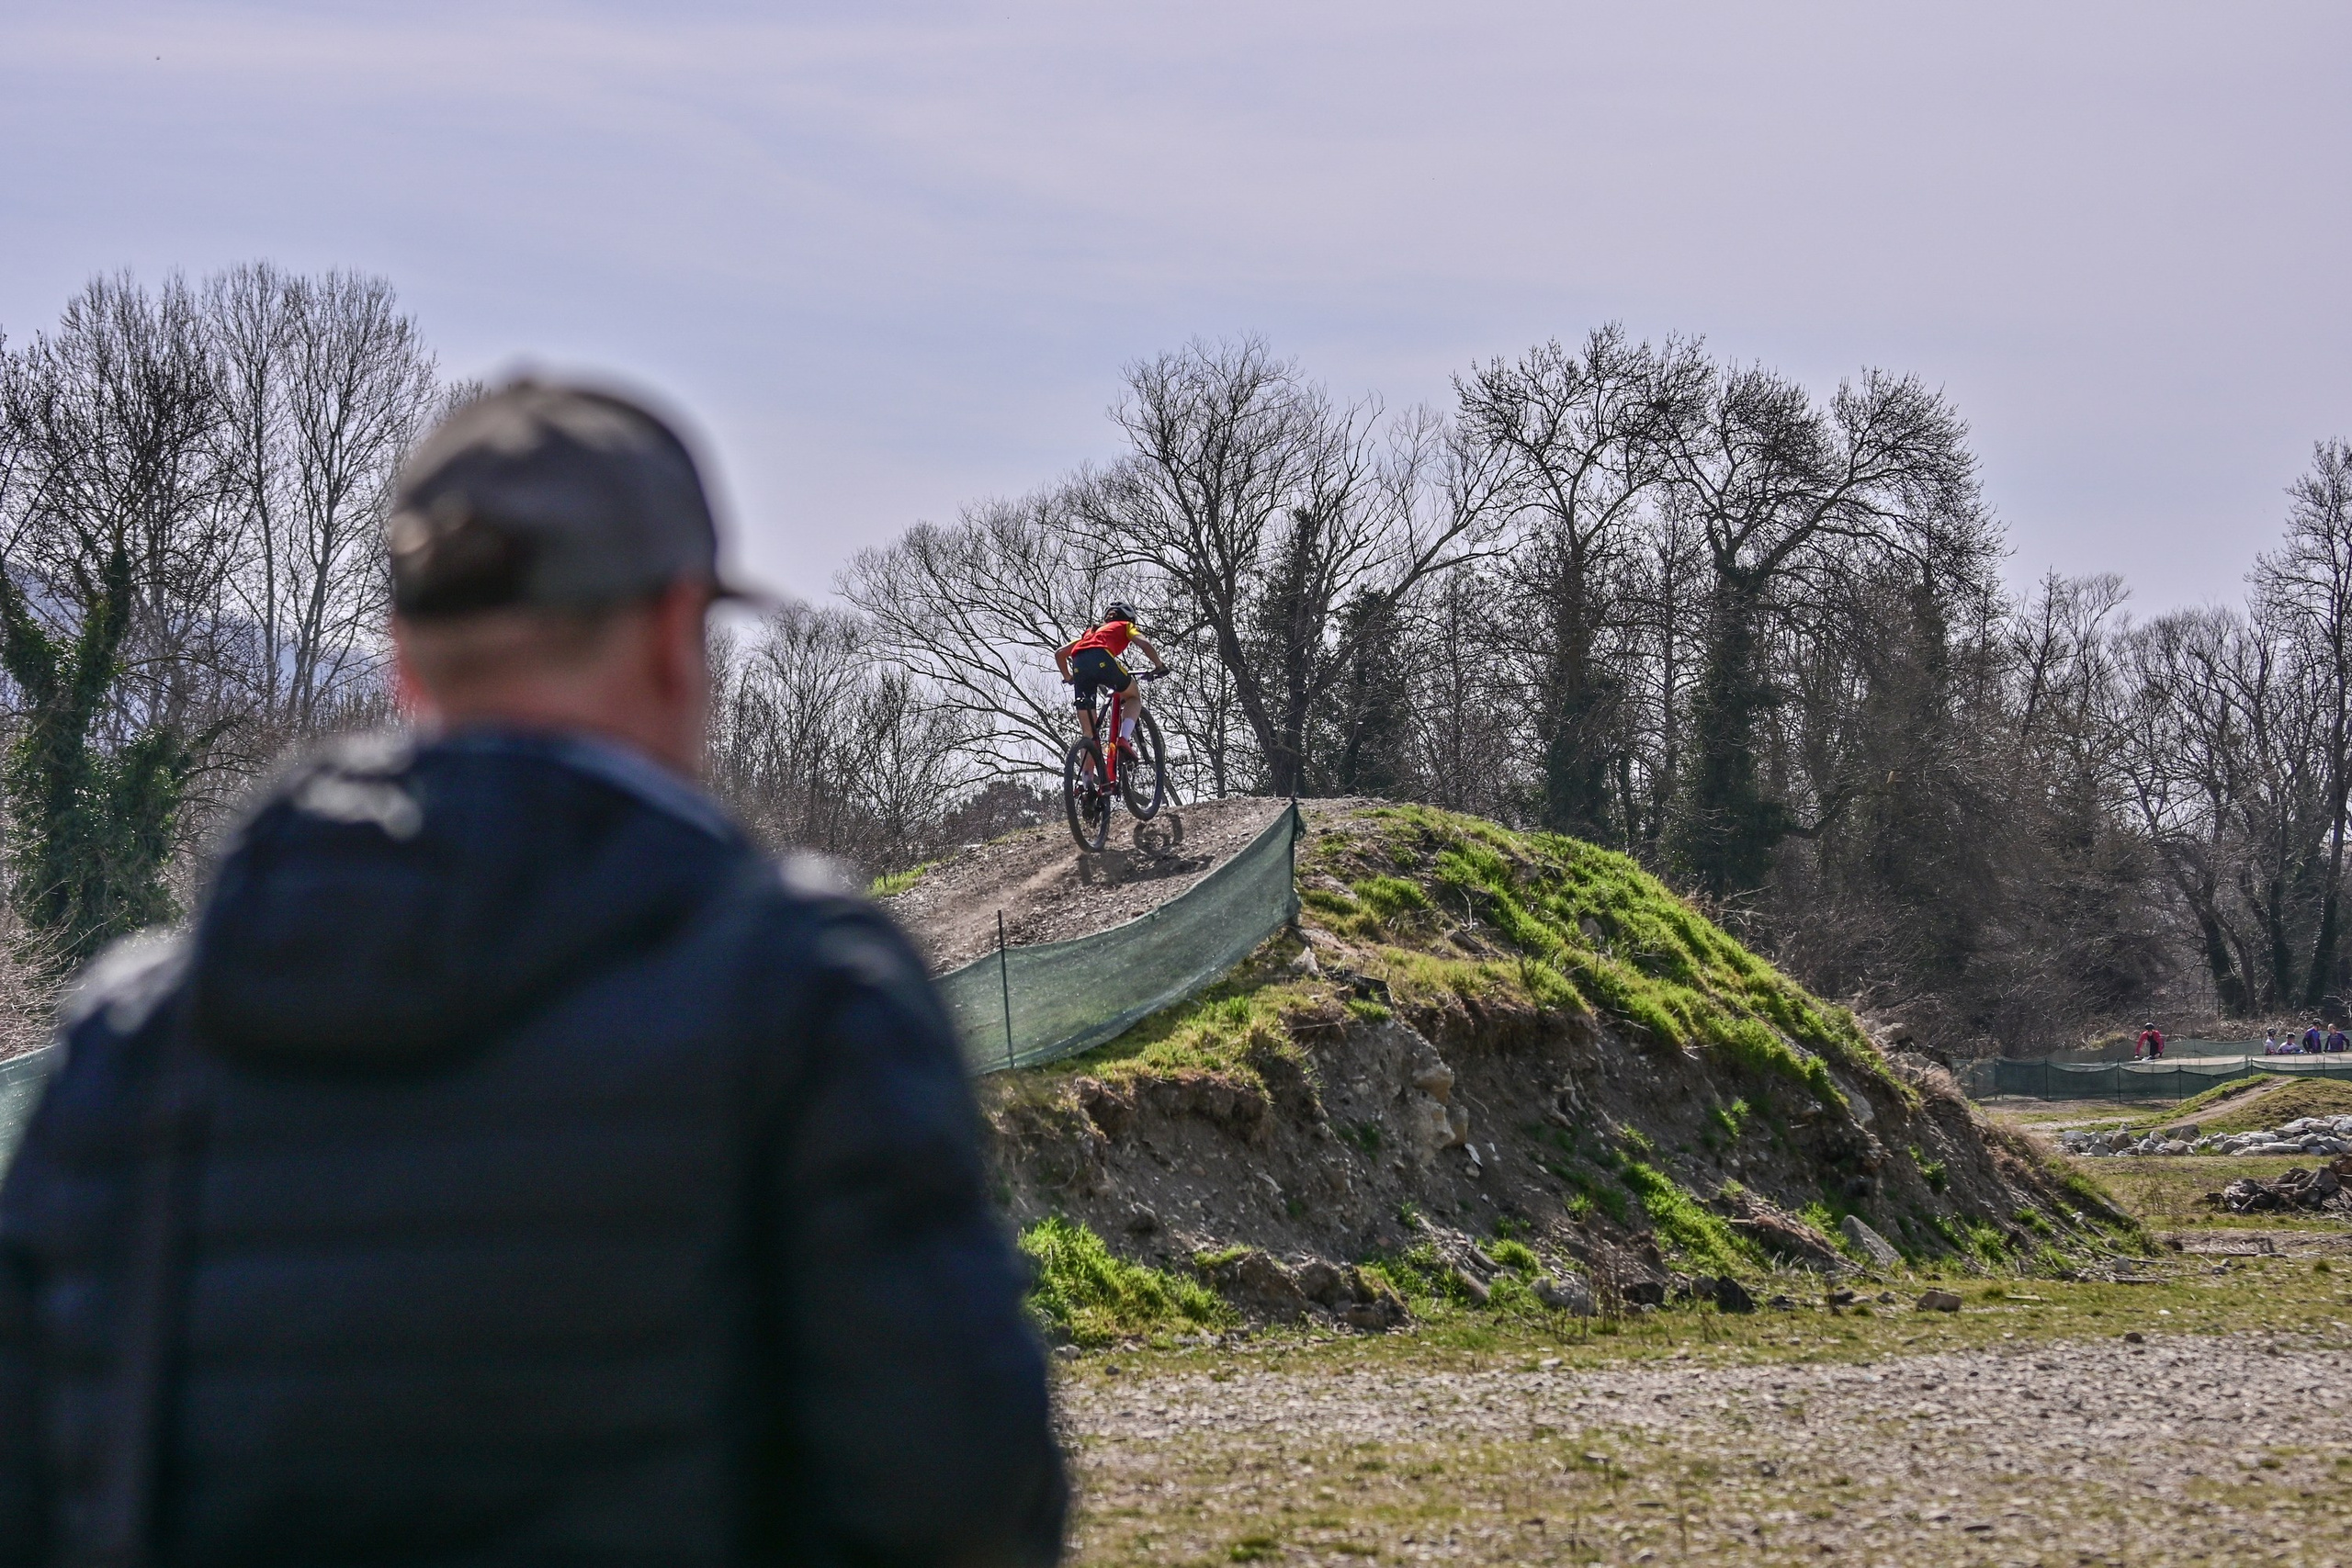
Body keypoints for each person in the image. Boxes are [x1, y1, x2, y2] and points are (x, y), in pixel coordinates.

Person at [0, 380, 1066, 1565]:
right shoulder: (806, 997)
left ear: (407, 657)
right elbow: (965, 1499)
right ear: (675, 633)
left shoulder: (132, 1043)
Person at [1056, 600, 1168, 754]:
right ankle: (1124, 738)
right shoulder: (1125, 625)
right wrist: (1159, 665)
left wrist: (1068, 677)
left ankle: (1087, 777)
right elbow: (1144, 644)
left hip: (1078, 665)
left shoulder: (1090, 632)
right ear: (1129, 618)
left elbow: (1060, 654)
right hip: (1102, 658)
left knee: (1089, 732)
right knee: (1133, 697)